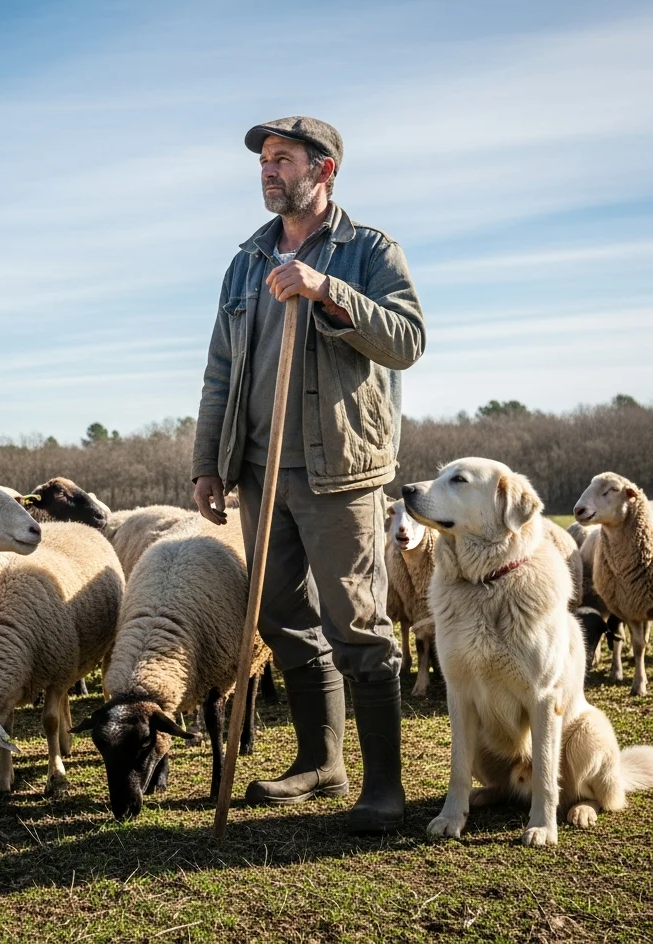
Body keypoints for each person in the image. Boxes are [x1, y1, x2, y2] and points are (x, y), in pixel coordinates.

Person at [191, 116, 425, 833]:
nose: (268, 170)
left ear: (323, 171)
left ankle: (383, 788)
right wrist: (208, 463)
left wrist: (328, 291)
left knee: (358, 623)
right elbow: (221, 370)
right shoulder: (246, 262)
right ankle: (321, 761)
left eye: (283, 158)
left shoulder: (369, 250)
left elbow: (407, 340)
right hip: (260, 468)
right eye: (264, 159)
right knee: (280, 615)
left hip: (340, 469)